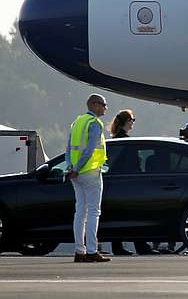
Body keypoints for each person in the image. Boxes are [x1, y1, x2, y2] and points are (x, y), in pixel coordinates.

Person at [66, 93, 111, 262]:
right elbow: (89, 150)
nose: (105, 108)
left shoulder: (77, 122)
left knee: (80, 211)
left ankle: (79, 251)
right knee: (93, 211)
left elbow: (69, 147)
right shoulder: (94, 123)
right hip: (90, 172)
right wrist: (77, 168)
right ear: (94, 104)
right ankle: (92, 250)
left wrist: (70, 167)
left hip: (76, 174)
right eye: (103, 104)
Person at [107, 110, 157, 257]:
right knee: (134, 214)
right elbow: (131, 164)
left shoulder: (116, 139)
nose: (133, 123)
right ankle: (141, 246)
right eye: (132, 120)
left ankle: (119, 246)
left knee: (119, 215)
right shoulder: (125, 142)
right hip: (126, 183)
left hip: (117, 183)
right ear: (127, 122)